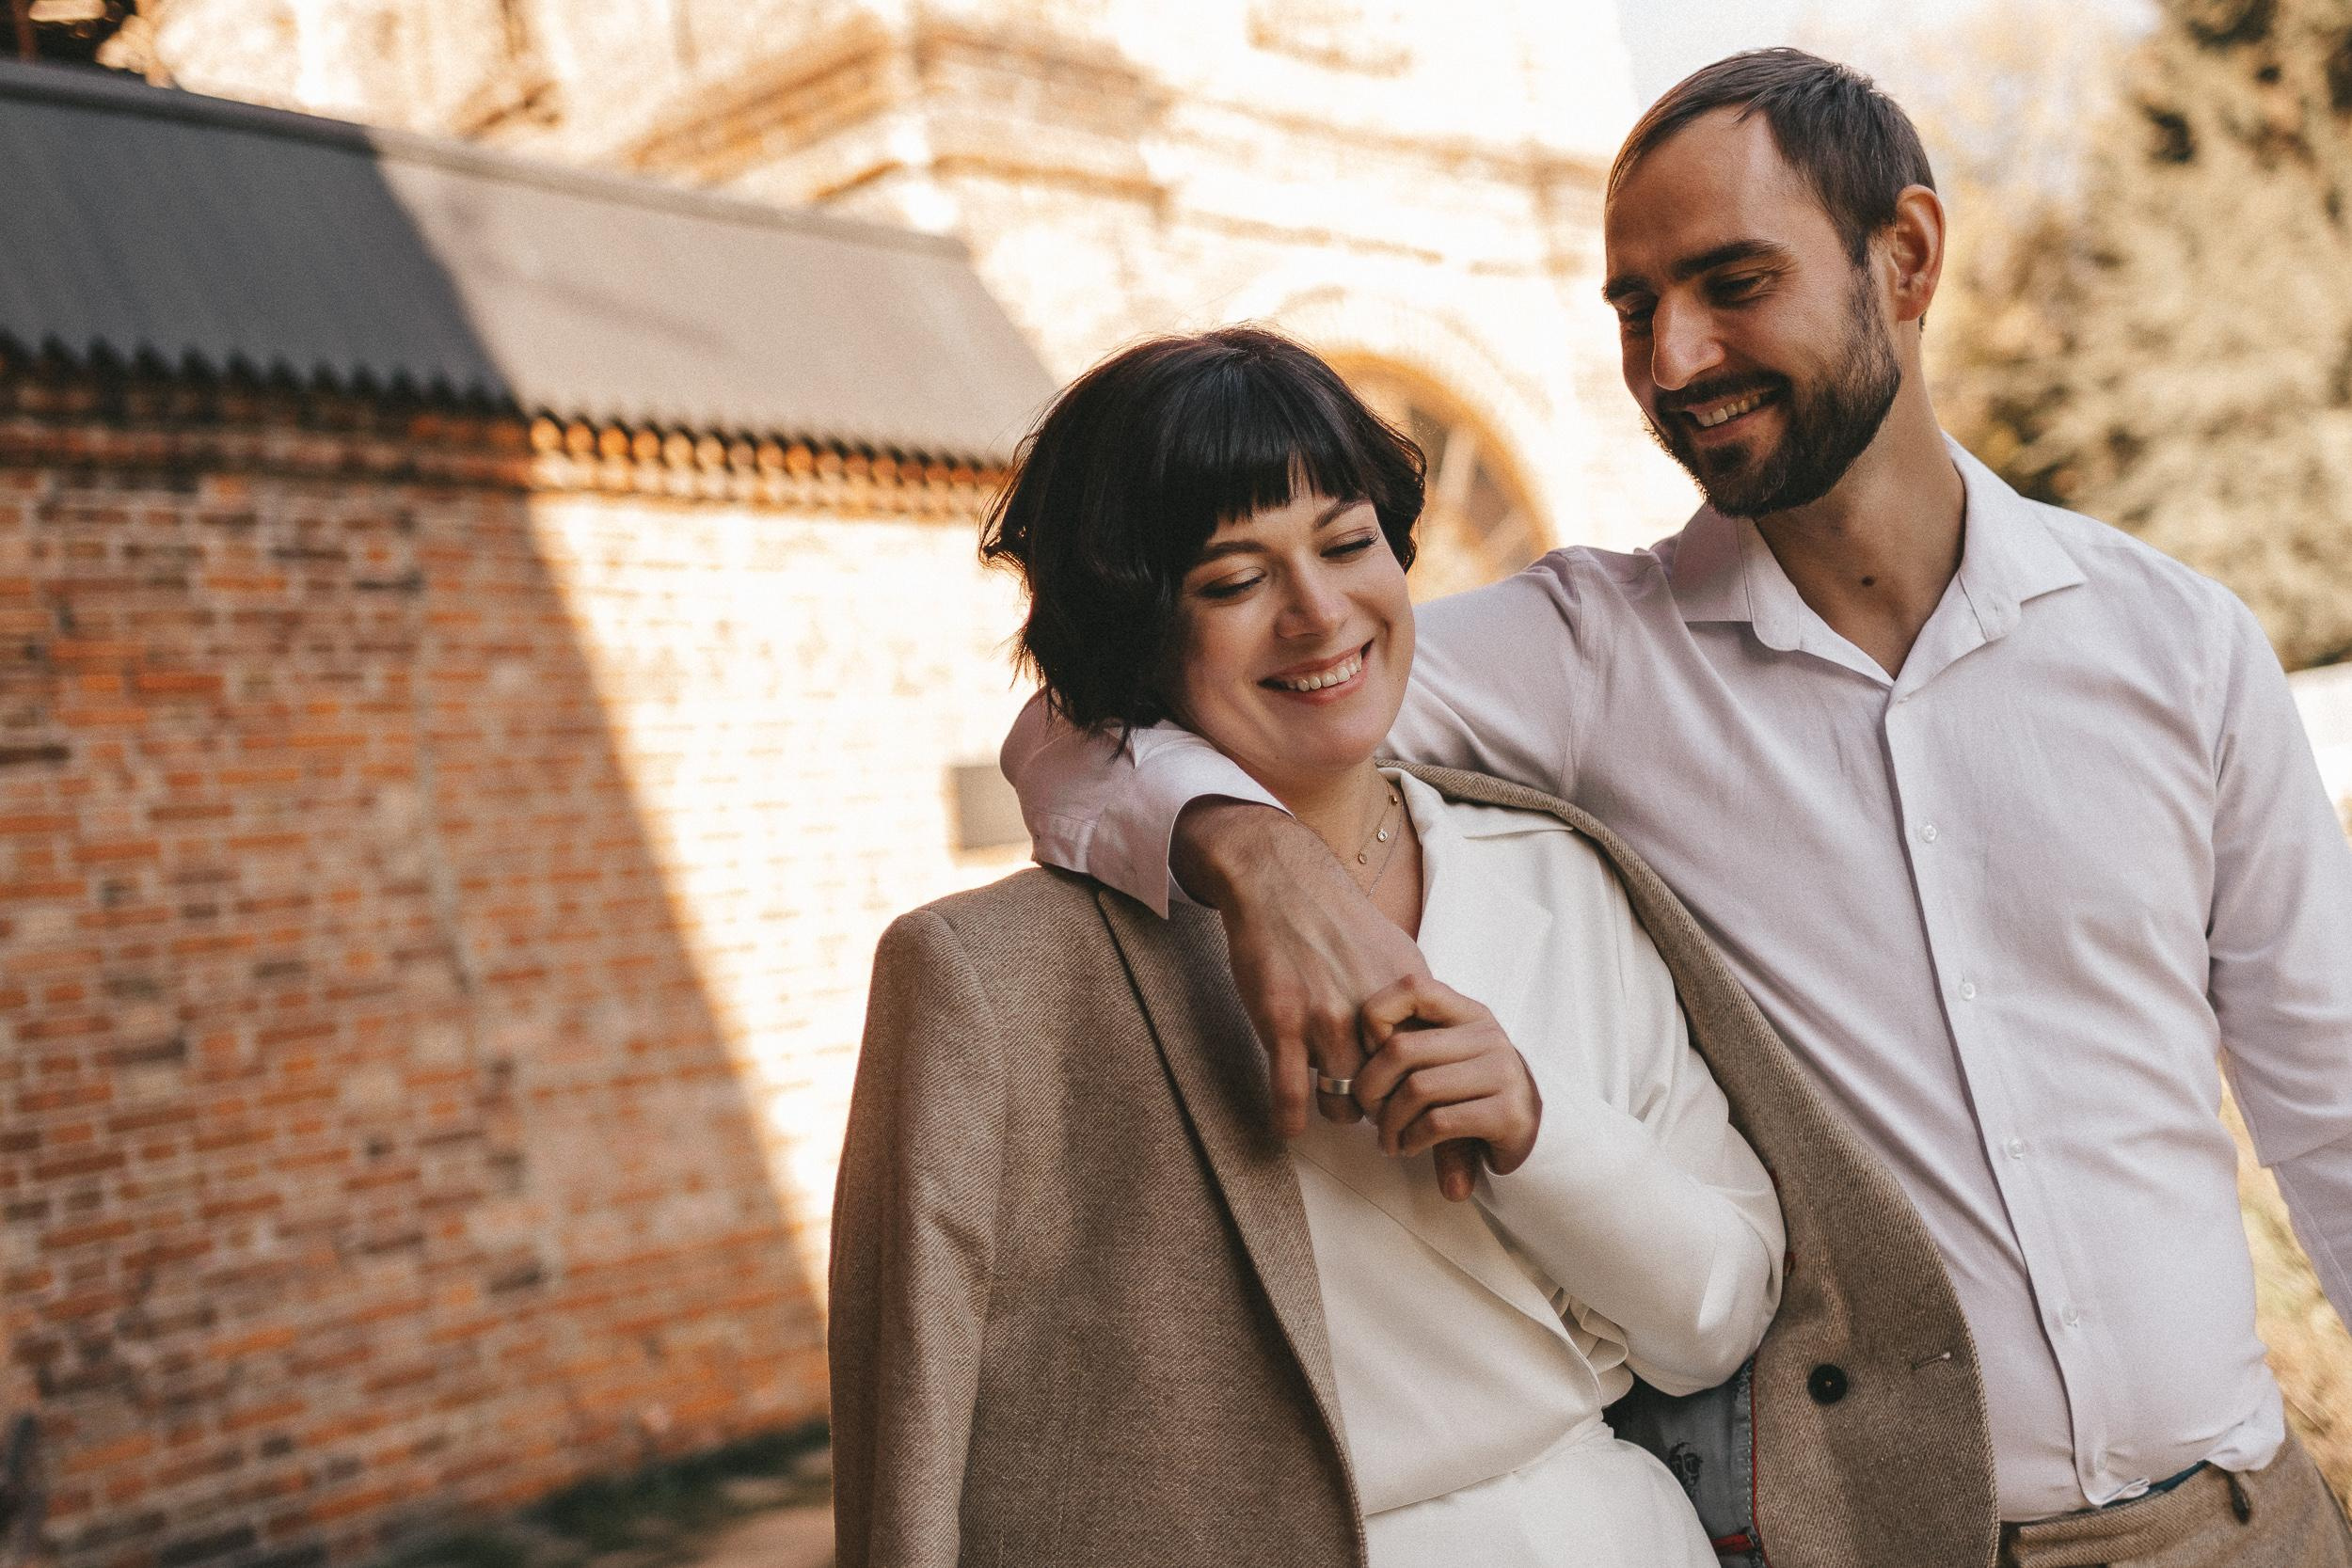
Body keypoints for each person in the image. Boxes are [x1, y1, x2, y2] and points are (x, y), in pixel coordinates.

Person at [999, 50, 2352, 1568]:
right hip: (1895, 1541)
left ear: (1904, 257)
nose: (1676, 356)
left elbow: (2336, 1106)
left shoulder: (2177, 644)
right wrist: (1243, 850)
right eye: (1634, 308)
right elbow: (1081, 722)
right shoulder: (1586, 661)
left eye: (1732, 281)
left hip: (2251, 1524)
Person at [831, 327, 1871, 1568]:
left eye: (1345, 543)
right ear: (1134, 627)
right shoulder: (993, 982)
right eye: (1231, 581)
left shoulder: (1560, 875)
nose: (1319, 613)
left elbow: (1718, 1319)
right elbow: (912, 1456)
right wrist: (1243, 850)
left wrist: (1539, 1130)